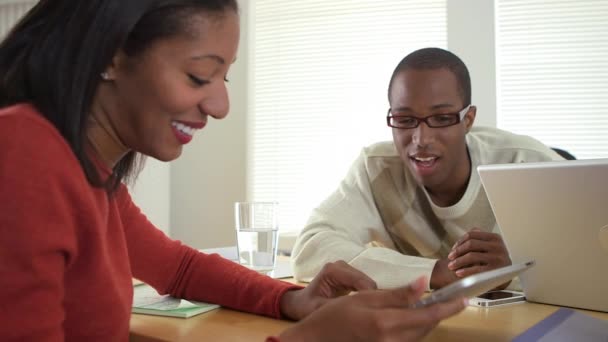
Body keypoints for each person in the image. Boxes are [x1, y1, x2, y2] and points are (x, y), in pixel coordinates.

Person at [0, 2, 467, 341]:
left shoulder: (91, 175)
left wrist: (290, 300)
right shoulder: (25, 151)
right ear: (111, 56)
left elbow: (179, 268)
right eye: (200, 76)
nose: (220, 105)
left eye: (225, 77)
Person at [292, 47, 563, 291]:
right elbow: (309, 249)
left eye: (442, 118)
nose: (421, 139)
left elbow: (594, 261)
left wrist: (517, 268)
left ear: (468, 120)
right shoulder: (376, 168)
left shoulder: (526, 162)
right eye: (404, 119)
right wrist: (436, 273)